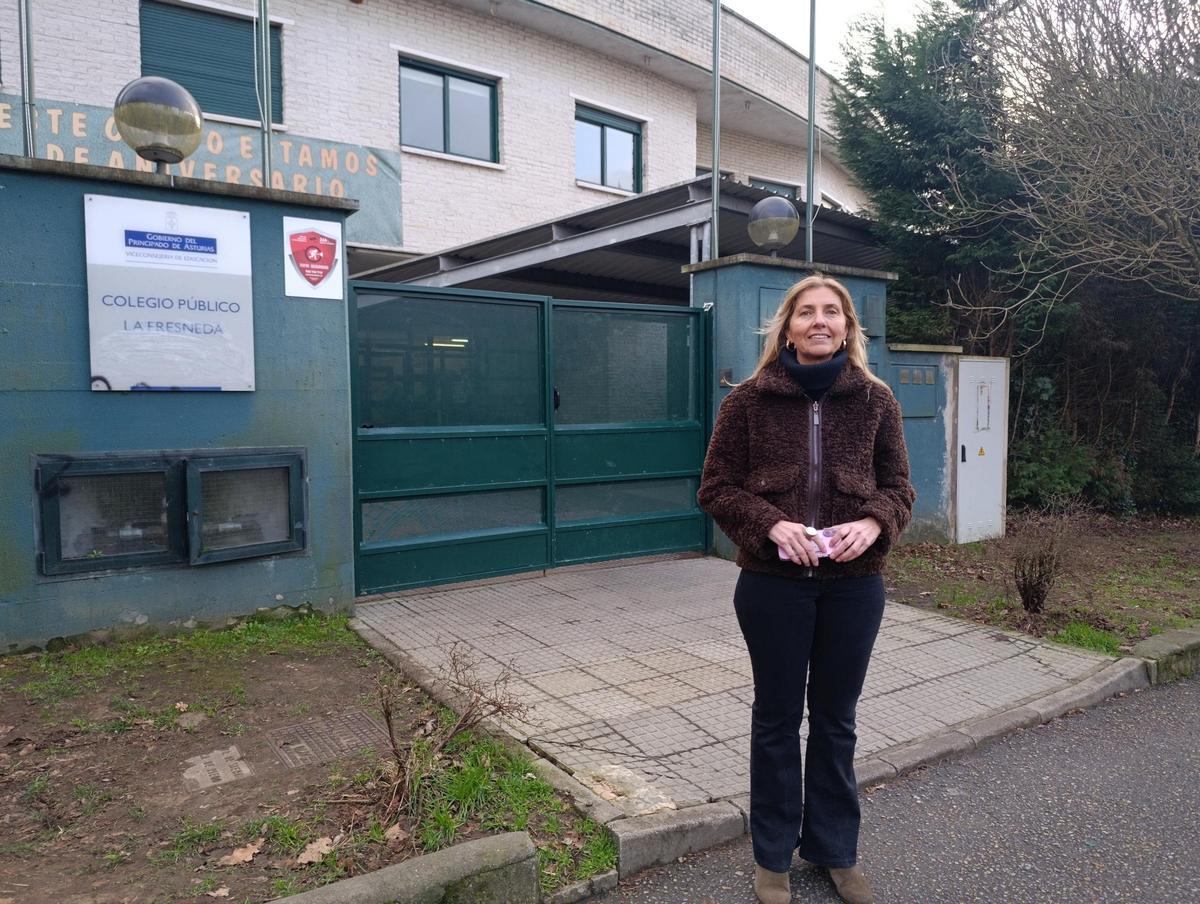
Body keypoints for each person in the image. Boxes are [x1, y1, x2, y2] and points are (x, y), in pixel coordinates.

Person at [697, 275, 915, 904]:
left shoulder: (877, 402)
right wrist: (772, 524)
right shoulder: (746, 403)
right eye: (806, 312)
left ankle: (834, 850)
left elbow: (899, 487)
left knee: (836, 722)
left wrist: (874, 521)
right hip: (772, 586)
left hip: (854, 587)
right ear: (786, 325)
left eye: (832, 312)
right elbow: (716, 488)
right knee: (775, 720)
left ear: (848, 326)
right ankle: (772, 858)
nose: (820, 321)